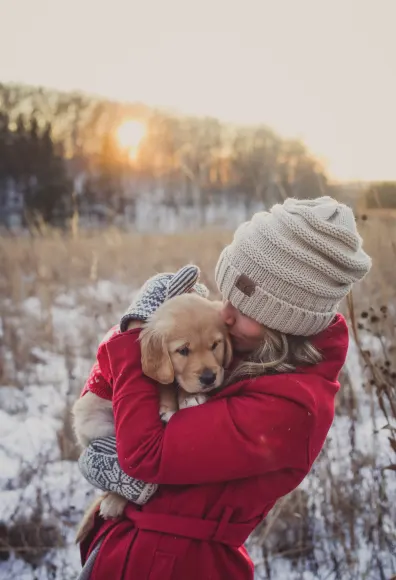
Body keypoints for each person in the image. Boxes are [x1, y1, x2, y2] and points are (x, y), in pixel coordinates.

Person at [76, 196, 371, 580]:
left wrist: (136, 335)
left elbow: (144, 456)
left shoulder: (292, 408)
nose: (224, 312)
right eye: (226, 294)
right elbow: (127, 381)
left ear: (287, 323)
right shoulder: (244, 345)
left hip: (181, 566)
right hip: (128, 550)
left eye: (245, 309)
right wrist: (97, 412)